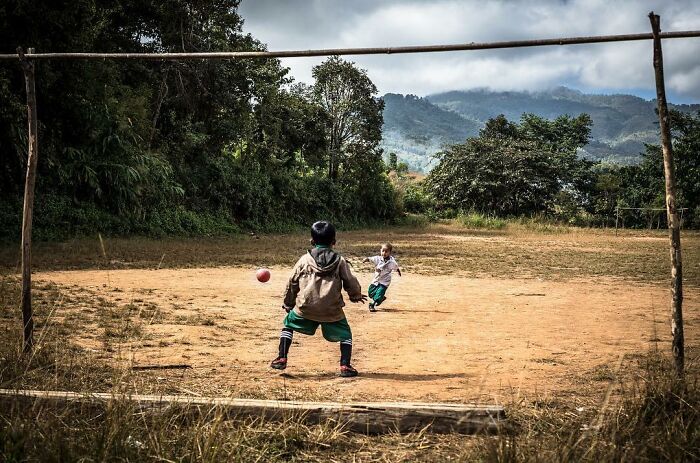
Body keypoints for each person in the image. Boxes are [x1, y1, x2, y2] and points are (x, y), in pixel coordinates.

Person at [271, 221, 367, 377]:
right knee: (346, 334)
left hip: (306, 307)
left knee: (288, 324)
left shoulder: (304, 260)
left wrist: (288, 303)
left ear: (312, 241)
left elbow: (292, 282)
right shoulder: (340, 261)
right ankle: (345, 366)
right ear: (334, 242)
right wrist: (355, 295)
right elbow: (350, 281)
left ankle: (281, 357)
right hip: (331, 310)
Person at [363, 243, 401, 312]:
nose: (384, 253)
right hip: (376, 280)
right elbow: (371, 259)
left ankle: (372, 305)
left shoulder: (392, 262)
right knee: (370, 293)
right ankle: (381, 298)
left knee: (379, 293)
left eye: (386, 251)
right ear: (380, 251)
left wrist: (398, 271)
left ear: (390, 252)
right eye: (383, 251)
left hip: (385, 281)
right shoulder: (378, 259)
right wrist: (367, 259)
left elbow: (396, 267)